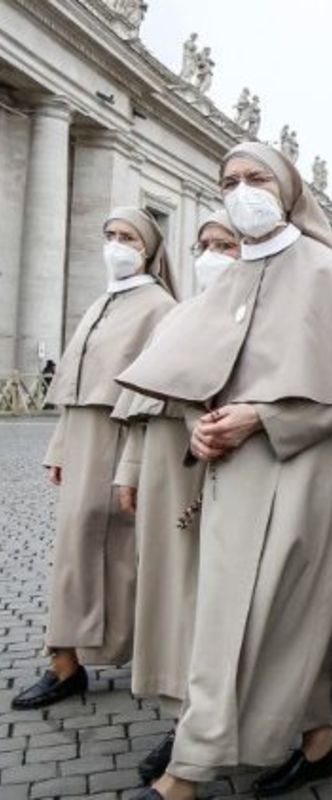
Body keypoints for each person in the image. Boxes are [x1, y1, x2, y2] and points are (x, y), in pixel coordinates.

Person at [119, 142, 332, 800]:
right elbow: (194, 380)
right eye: (230, 181)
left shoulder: (328, 272)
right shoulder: (235, 277)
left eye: (256, 178)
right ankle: (316, 742)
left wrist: (261, 419)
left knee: (279, 611)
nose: (242, 191)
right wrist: (204, 431)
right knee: (232, 611)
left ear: (289, 187)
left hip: (303, 467)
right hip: (234, 472)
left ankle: (189, 770)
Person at [12, 208, 177, 711]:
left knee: (106, 546)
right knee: (75, 545)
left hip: (120, 435)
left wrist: (133, 461)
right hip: (84, 435)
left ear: (148, 247)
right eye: (109, 235)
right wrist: (59, 447)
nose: (116, 244)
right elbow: (77, 387)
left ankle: (78, 654)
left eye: (127, 237)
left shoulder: (159, 306)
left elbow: (150, 394)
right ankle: (68, 653)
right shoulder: (105, 298)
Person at [114, 210, 240, 786]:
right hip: (164, 468)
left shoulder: (259, 314)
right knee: (167, 593)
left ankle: (203, 721)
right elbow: (143, 410)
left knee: (206, 597)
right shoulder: (179, 315)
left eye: (227, 245)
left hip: (217, 466)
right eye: (205, 244)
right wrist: (129, 469)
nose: (212, 255)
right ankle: (179, 713)